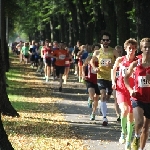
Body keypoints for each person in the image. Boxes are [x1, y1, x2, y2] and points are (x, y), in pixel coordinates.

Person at [112, 39, 138, 150]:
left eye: (133, 48)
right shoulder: (120, 60)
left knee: (131, 117)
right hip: (121, 89)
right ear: (125, 49)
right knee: (124, 110)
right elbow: (113, 70)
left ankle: (128, 140)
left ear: (136, 49)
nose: (131, 50)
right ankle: (123, 132)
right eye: (129, 48)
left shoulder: (138, 61)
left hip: (133, 91)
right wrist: (113, 81)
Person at [124, 38, 150, 150]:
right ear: (141, 48)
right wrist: (130, 90)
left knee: (146, 127)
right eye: (145, 47)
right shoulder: (136, 63)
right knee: (139, 123)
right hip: (137, 97)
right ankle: (136, 136)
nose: (148, 49)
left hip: (149, 99)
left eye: (149, 47)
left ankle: (141, 148)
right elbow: (125, 78)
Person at [91, 31, 118, 126]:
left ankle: (102, 106)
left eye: (107, 40)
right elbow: (92, 61)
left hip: (111, 77)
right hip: (101, 76)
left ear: (109, 41)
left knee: (107, 97)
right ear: (101, 41)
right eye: (104, 40)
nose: (105, 41)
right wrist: (95, 68)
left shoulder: (113, 51)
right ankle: (105, 118)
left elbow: (120, 62)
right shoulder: (97, 52)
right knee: (102, 94)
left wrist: (113, 65)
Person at [113, 45, 123, 122]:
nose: (119, 53)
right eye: (117, 52)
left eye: (120, 52)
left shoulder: (124, 60)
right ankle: (118, 114)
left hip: (123, 83)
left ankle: (122, 113)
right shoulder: (112, 60)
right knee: (116, 99)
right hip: (115, 82)